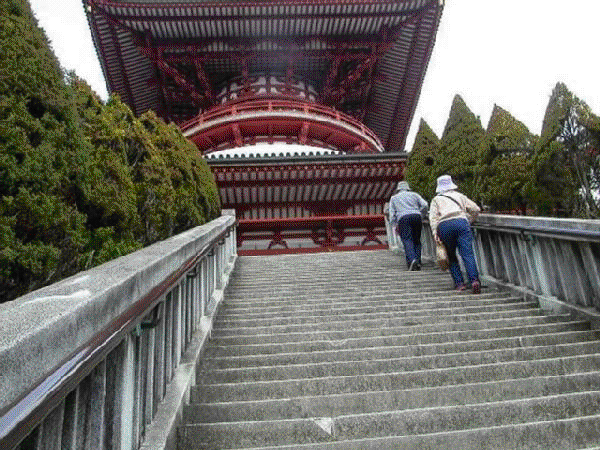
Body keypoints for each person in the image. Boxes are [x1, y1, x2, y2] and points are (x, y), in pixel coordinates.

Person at [429, 175, 482, 293]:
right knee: (468, 254)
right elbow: (476, 209)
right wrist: (469, 220)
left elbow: (433, 218)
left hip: (444, 226)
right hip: (461, 222)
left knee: (451, 256)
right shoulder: (460, 196)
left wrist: (435, 233)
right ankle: (474, 280)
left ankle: (459, 283)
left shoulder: (436, 200)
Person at [388, 181, 429, 271]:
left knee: (407, 239)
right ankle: (418, 261)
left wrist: (394, 224)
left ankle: (412, 260)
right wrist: (421, 214)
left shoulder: (394, 198)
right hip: (416, 216)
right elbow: (425, 204)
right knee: (417, 240)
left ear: (398, 189)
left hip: (403, 218)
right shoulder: (415, 195)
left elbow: (392, 213)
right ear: (408, 188)